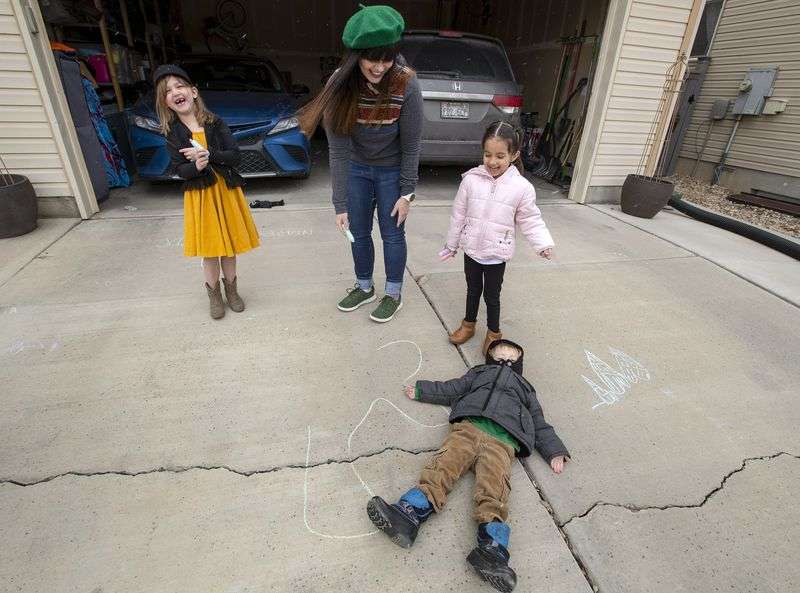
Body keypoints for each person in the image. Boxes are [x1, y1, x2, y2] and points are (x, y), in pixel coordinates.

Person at [366, 340, 569, 592]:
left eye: (512, 355)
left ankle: (493, 550)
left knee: (495, 488)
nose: (505, 356)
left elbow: (539, 422)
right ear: (491, 357)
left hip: (503, 441)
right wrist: (422, 390)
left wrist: (554, 450)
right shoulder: (479, 373)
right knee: (443, 466)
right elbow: (453, 389)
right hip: (469, 428)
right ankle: (408, 515)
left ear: (519, 362)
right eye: (500, 353)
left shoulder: (526, 388)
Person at [298, 5, 423, 323]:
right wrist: (339, 202)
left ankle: (393, 293)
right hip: (355, 167)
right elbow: (338, 151)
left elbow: (411, 145)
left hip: (391, 169)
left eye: (387, 58)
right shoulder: (339, 84)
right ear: (356, 56)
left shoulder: (406, 84)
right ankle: (364, 286)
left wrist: (407, 192)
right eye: (372, 58)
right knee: (358, 230)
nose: (379, 67)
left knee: (392, 233)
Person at [154, 65, 260, 320]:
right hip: (201, 195)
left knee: (229, 247)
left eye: (179, 86)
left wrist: (209, 155)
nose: (175, 92)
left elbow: (234, 156)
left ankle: (232, 292)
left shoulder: (215, 122)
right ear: (165, 102)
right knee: (211, 249)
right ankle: (214, 296)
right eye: (168, 91)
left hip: (224, 191)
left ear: (193, 91)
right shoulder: (173, 133)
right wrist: (197, 166)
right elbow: (180, 170)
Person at [440, 122, 554, 353]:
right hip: (472, 249)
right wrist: (452, 245)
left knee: (492, 296)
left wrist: (542, 243)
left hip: (496, 254)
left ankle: (493, 333)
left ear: (514, 155)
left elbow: (530, 219)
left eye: (500, 156)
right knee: (472, 290)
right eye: (488, 155)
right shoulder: (470, 180)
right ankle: (468, 325)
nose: (492, 162)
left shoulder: (522, 187)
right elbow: (458, 215)